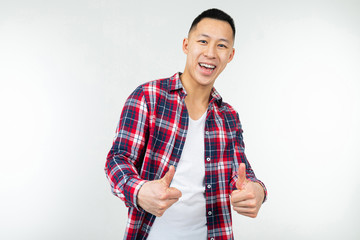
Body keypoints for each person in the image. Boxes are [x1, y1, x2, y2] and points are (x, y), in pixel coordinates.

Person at [105, 8, 267, 240]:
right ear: (186, 45)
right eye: (203, 41)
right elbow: (117, 158)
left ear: (230, 55)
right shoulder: (148, 97)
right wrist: (139, 191)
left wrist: (258, 190)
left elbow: (240, 174)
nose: (211, 53)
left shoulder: (228, 115)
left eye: (221, 45)